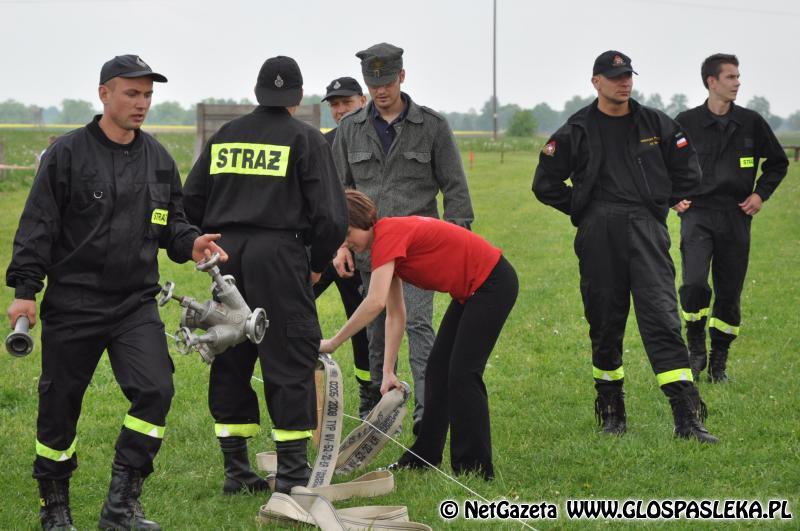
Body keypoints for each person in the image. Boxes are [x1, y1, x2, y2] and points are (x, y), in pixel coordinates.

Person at [5, 54, 227, 531]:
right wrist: (26, 291)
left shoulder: (159, 160)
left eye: (148, 95)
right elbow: (38, 225)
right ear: (104, 93)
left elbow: (174, 226)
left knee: (155, 390)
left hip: (134, 304)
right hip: (74, 303)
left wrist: (193, 243)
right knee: (59, 406)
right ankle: (55, 506)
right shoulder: (66, 155)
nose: (142, 103)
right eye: (132, 93)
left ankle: (122, 505)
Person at [532, 50, 718, 443]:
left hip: (646, 230)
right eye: (615, 77)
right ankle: (612, 411)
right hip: (598, 233)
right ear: (596, 82)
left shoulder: (656, 123)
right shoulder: (577, 128)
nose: (624, 82)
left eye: (628, 75)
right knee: (604, 322)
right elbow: (545, 183)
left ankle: (687, 417)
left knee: (663, 319)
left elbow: (690, 172)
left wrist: (659, 202)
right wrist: (581, 208)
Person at [183, 56, 347, 495]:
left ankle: (237, 471)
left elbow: (190, 203)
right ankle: (292, 477)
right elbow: (332, 217)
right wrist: (315, 265)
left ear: (258, 92)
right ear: (297, 97)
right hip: (280, 256)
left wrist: (214, 240)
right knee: (289, 357)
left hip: (226, 258)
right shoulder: (307, 139)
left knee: (230, 354)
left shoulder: (225, 137)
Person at [320, 190, 517, 480]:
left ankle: (474, 468)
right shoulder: (385, 242)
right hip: (472, 292)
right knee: (438, 370)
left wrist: (334, 342)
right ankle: (425, 454)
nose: (347, 242)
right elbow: (395, 314)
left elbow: (373, 303)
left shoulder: (387, 235)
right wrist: (388, 371)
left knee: (463, 373)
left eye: (348, 233)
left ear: (365, 221)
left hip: (492, 284)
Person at [331, 42, 474, 434]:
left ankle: (428, 421)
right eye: (373, 83)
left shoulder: (432, 127)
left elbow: (456, 192)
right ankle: (379, 420)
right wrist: (341, 244)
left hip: (418, 256)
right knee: (375, 332)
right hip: (370, 255)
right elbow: (337, 193)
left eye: (388, 81)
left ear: (402, 77)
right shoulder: (349, 129)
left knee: (417, 327)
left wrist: (456, 250)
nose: (380, 90)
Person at [674, 54, 788, 383]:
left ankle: (719, 361)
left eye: (738, 77)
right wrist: (673, 197)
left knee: (729, 292)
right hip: (698, 214)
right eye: (731, 77)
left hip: (736, 216)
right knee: (694, 284)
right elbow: (664, 162)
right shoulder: (686, 122)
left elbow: (778, 162)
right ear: (712, 82)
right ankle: (695, 346)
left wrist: (759, 194)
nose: (738, 83)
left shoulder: (752, 122)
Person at [315, 76, 376, 419]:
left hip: (361, 248)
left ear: (363, 100)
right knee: (295, 300)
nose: (339, 111)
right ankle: (304, 374)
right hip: (327, 246)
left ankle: (370, 399)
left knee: (364, 322)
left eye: (346, 103)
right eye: (334, 105)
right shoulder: (323, 143)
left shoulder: (374, 140)